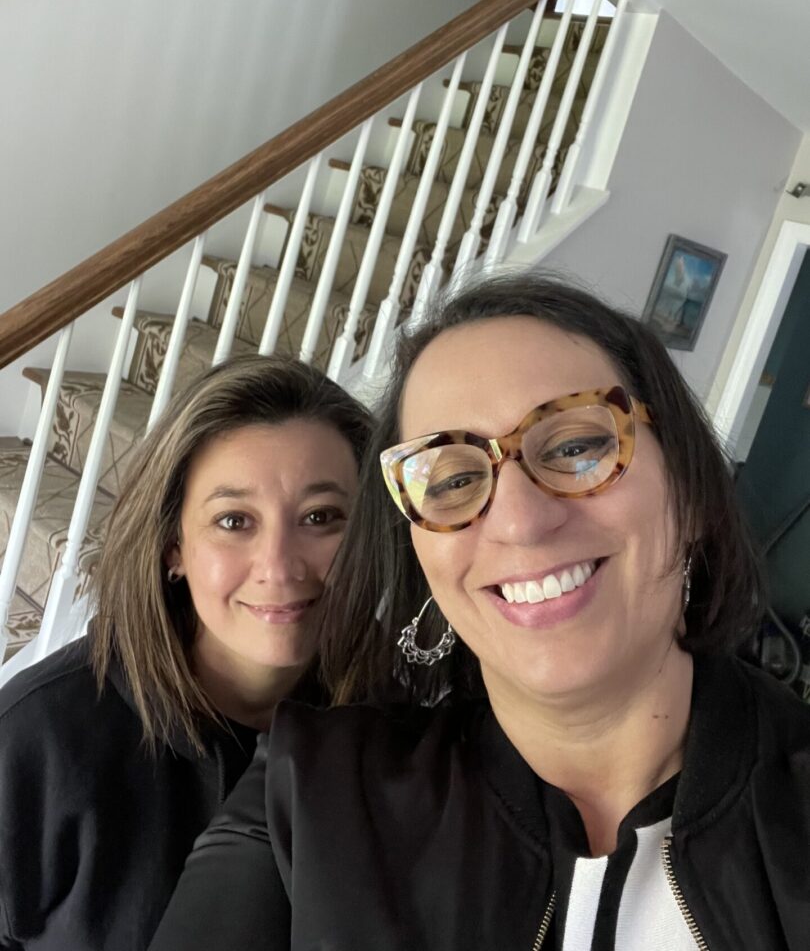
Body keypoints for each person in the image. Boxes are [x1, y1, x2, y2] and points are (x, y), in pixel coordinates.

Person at [150, 275, 810, 951]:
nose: (520, 522)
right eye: (456, 479)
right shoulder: (308, 795)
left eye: (577, 446)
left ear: (690, 490)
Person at [0, 353, 372, 951]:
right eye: (233, 521)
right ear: (174, 546)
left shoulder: (399, 708)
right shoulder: (32, 739)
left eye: (321, 517)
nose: (279, 567)